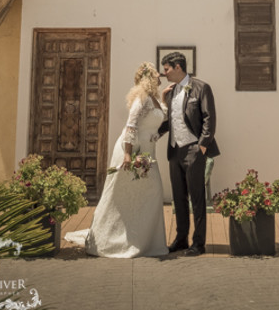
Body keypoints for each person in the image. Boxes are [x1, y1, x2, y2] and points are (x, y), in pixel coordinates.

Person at [65, 61, 168, 258]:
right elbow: (131, 126)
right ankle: (112, 240)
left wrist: (163, 99)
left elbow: (158, 120)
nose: (159, 76)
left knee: (150, 195)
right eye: (156, 74)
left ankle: (145, 242)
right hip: (133, 151)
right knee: (121, 196)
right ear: (148, 78)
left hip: (148, 152)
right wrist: (129, 155)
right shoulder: (142, 99)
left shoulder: (154, 98)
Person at [158, 51, 220, 256]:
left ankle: (199, 243)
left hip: (194, 149)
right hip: (175, 151)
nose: (164, 73)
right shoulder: (171, 91)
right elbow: (170, 120)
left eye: (166, 69)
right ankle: (181, 239)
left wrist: (202, 146)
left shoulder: (201, 88)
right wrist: (151, 134)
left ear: (178, 67)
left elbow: (209, 118)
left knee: (197, 198)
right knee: (178, 197)